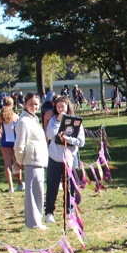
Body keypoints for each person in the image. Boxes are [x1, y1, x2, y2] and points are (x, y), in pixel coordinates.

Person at [44, 95, 85, 225]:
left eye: (63, 106)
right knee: (52, 185)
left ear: (68, 107)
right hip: (55, 157)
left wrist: (68, 139)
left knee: (70, 186)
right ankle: (49, 212)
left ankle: (69, 210)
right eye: (58, 106)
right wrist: (58, 122)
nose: (60, 109)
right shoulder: (53, 120)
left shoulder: (76, 121)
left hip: (70, 158)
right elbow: (49, 134)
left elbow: (81, 142)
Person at [14, 93, 50, 229]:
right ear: (25, 104)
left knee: (38, 192)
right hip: (31, 161)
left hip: (38, 161)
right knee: (33, 193)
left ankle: (36, 220)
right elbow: (19, 145)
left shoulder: (33, 119)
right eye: (31, 104)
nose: (34, 106)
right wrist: (20, 161)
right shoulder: (24, 121)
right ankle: (34, 222)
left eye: (36, 104)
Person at [0, 96, 24, 192]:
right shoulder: (16, 116)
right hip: (15, 141)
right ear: (13, 104)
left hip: (5, 141)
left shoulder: (0, 117)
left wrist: (1, 138)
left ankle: (11, 187)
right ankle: (19, 183)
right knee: (17, 162)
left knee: (7, 164)